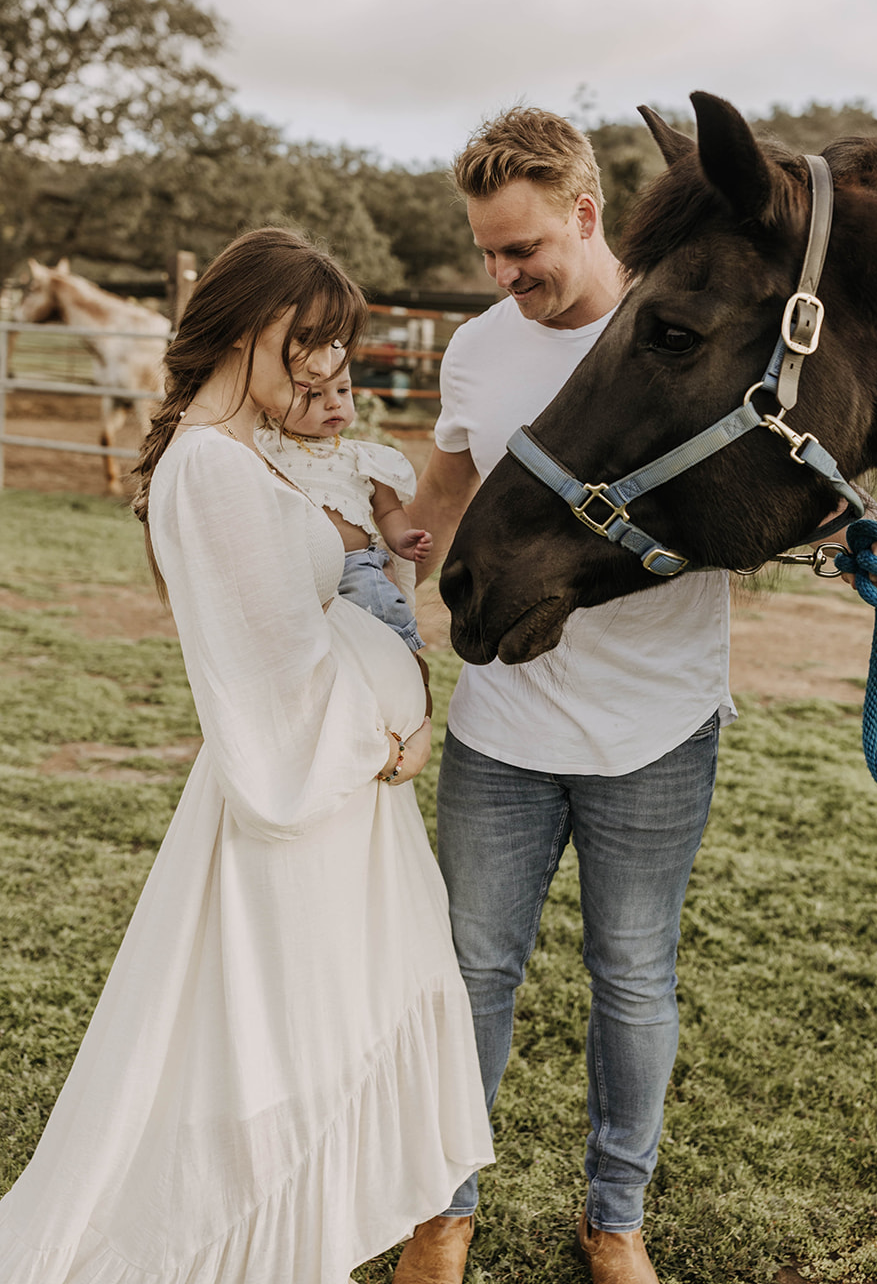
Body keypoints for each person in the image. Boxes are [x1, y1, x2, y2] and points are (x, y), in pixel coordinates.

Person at [0, 227, 492, 1283]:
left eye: (333, 342)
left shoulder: (245, 455)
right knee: (271, 1051)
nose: (322, 365)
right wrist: (395, 731)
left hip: (337, 806)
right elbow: (275, 674)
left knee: (300, 1046)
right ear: (240, 327)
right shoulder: (213, 472)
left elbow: (327, 611)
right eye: (305, 338)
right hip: (301, 807)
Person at [395, 108, 729, 1284]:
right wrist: (374, 577)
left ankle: (614, 1215)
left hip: (658, 723)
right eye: (486, 251)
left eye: (522, 247)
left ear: (586, 215)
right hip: (503, 724)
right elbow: (439, 484)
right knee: (472, 970)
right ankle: (442, 1207)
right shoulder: (480, 347)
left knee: (632, 975)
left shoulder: (690, 333)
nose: (502, 273)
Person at [256, 362, 432, 655]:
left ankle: (400, 663)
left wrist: (401, 538)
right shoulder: (264, 449)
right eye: (314, 395)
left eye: (343, 390)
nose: (335, 402)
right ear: (275, 405)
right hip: (289, 568)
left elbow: (387, 511)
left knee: (379, 606)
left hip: (353, 565)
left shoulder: (363, 457)